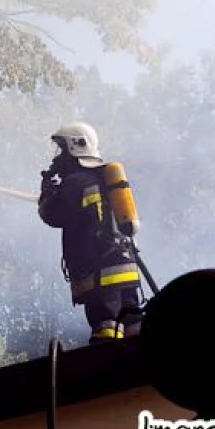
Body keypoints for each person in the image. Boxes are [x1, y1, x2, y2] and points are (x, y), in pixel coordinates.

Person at [37, 121, 143, 344]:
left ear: (76, 147)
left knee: (106, 328)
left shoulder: (75, 182)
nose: (58, 156)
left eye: (62, 149)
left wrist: (46, 194)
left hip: (101, 274)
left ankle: (107, 372)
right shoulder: (104, 177)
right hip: (127, 270)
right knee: (134, 326)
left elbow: (53, 214)